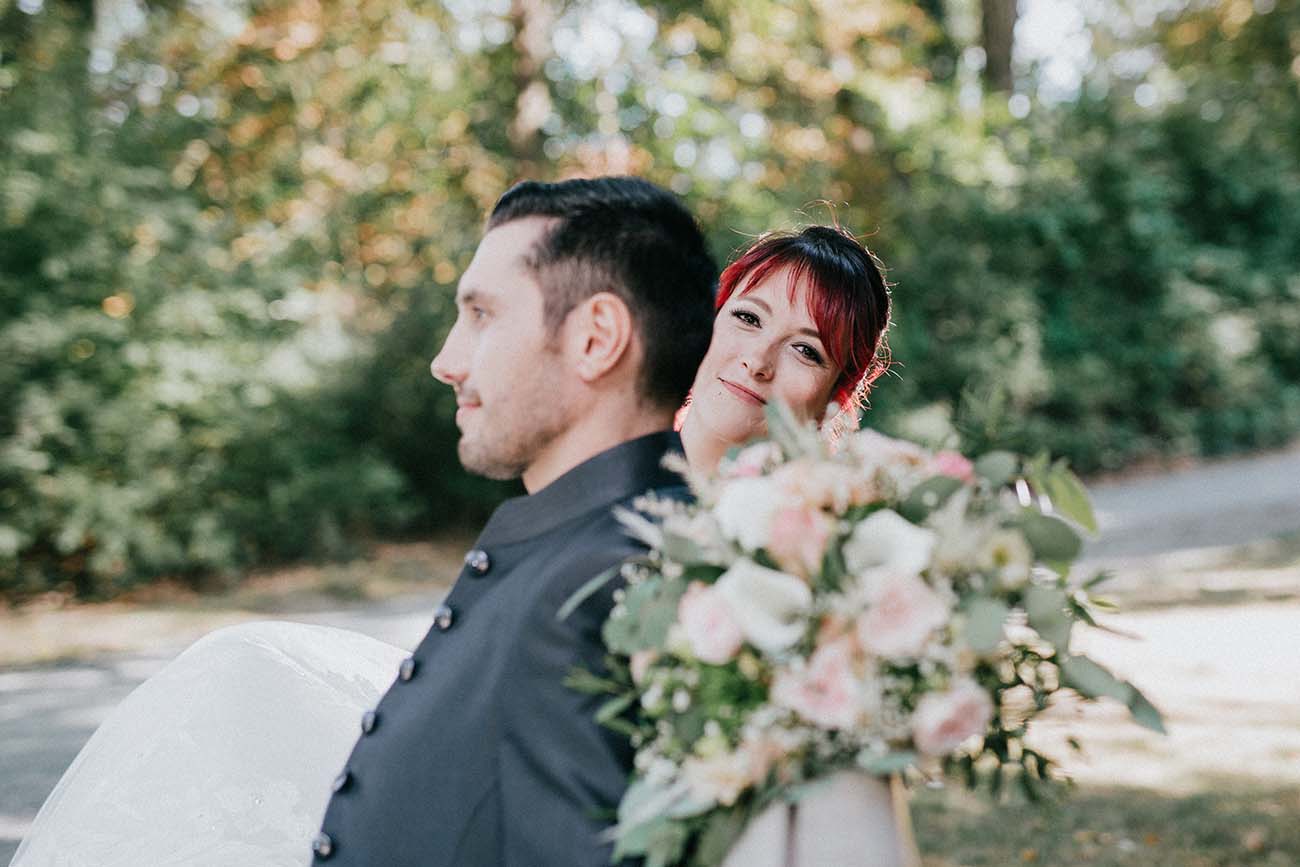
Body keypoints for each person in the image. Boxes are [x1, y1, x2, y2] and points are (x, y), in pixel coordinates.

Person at [12, 204, 908, 867]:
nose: (756, 357)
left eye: (805, 349)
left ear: (837, 392)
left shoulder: (806, 554)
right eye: (747, 317)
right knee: (237, 678)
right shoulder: (599, 452)